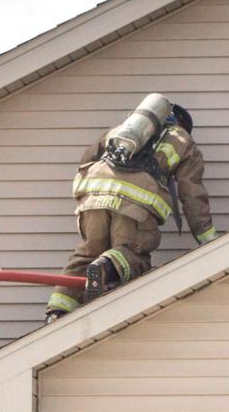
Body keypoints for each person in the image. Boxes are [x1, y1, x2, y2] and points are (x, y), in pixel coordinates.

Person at [45, 95, 218, 323]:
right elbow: (191, 193)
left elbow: (87, 159)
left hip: (93, 196)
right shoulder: (184, 141)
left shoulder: (119, 130)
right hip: (134, 202)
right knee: (134, 253)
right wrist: (207, 239)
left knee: (86, 253)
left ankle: (57, 312)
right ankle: (106, 267)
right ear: (182, 124)